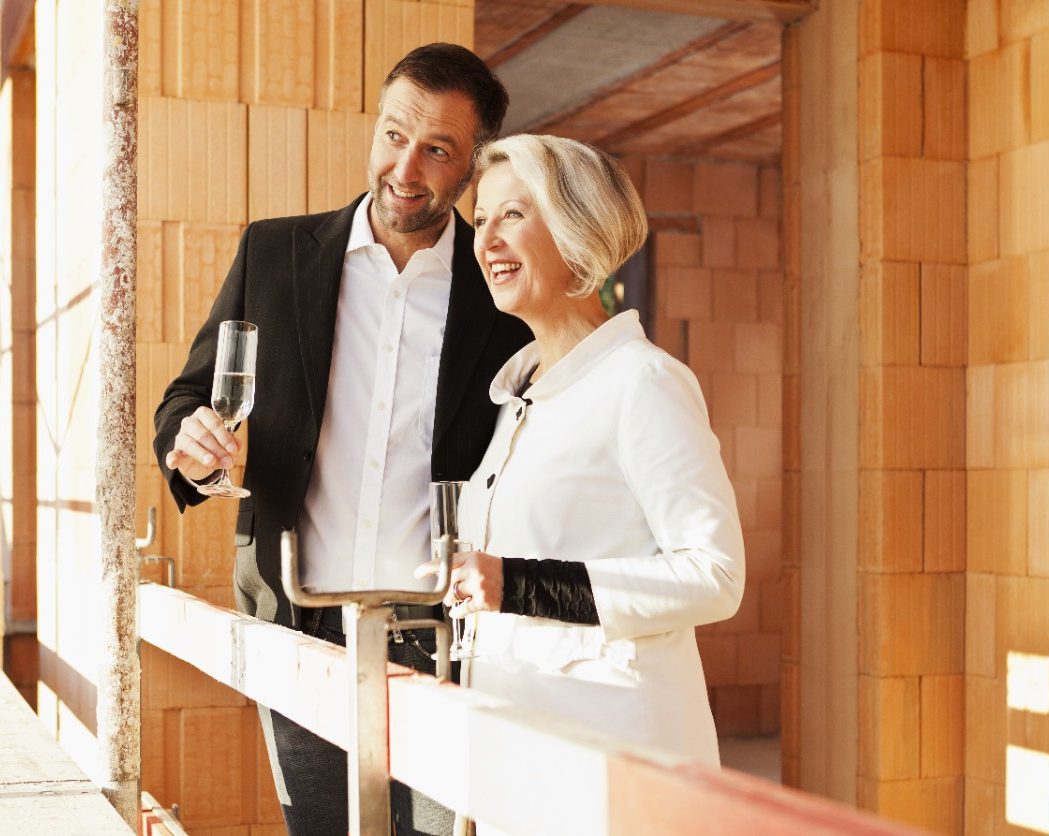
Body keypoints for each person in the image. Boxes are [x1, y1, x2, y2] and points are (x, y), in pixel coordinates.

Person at [153, 43, 531, 836]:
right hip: (301, 625)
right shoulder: (275, 253)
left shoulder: (500, 293)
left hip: (443, 638)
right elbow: (189, 396)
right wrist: (186, 443)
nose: (406, 167)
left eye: (438, 150)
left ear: (470, 167)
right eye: (395, 135)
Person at [416, 134, 745, 777]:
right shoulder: (519, 396)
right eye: (480, 220)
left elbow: (716, 576)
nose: (486, 240)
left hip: (616, 758)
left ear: (576, 231)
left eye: (513, 214)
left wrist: (518, 583)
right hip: (522, 750)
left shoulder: (643, 382)